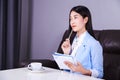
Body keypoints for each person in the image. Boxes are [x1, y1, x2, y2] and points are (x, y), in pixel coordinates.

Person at [59, 5, 103, 78]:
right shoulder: (72, 41)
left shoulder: (94, 44)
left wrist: (84, 71)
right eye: (70, 19)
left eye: (75, 17)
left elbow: (100, 74)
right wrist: (66, 54)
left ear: (85, 20)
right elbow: (67, 71)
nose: (72, 22)